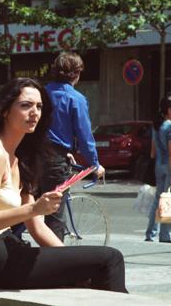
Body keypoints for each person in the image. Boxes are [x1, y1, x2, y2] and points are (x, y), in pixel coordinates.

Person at [0, 77, 127, 292]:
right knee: (111, 258)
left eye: (39, 106)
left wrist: (72, 263)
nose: (34, 112)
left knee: (94, 270)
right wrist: (34, 208)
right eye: (25, 105)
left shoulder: (20, 158)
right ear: (5, 110)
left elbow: (38, 227)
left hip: (10, 250)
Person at [38, 52, 105, 241]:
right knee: (54, 215)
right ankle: (55, 264)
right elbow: (85, 137)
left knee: (25, 207)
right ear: (76, 74)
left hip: (31, 155)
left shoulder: (41, 93)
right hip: (54, 160)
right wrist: (95, 164)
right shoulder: (75, 99)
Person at [145, 96, 171, 243]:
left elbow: (153, 150)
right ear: (169, 110)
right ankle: (165, 235)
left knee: (158, 199)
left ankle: (150, 233)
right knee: (170, 200)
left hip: (159, 165)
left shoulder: (156, 125)